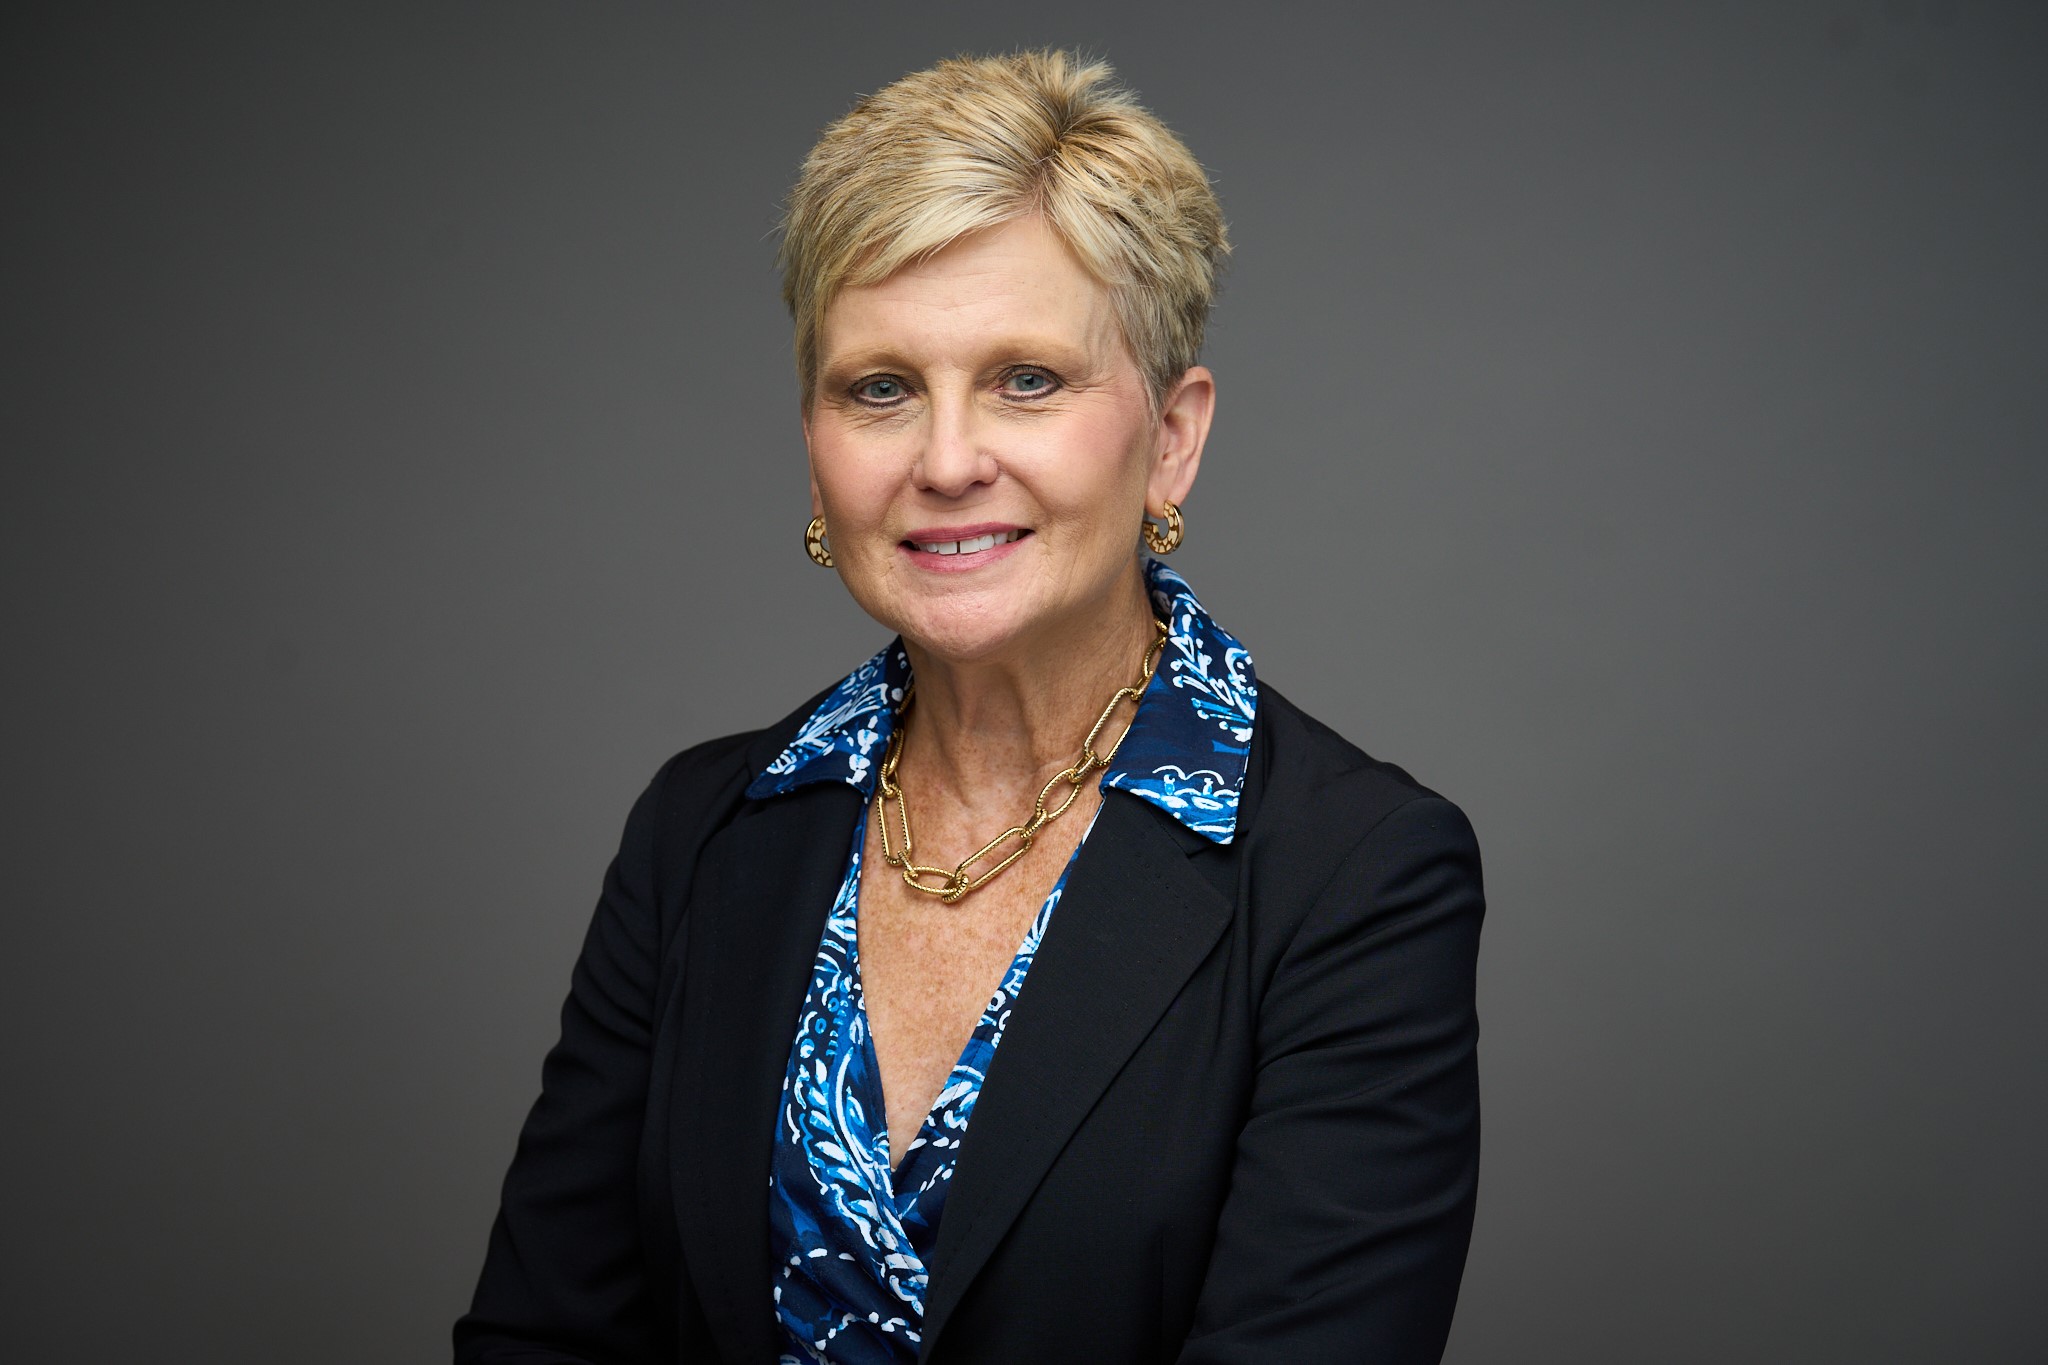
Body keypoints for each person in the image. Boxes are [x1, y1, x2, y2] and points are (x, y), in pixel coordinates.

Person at [455, 50, 1484, 1365]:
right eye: (881, 387)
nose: (945, 461)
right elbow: (545, 1337)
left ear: (1172, 435)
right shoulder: (702, 830)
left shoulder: (1357, 874)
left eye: (1028, 379)